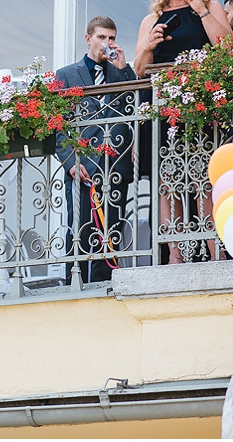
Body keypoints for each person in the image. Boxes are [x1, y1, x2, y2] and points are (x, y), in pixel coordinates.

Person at [134, 0, 232, 264]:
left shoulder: (210, 6)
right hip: (163, 111)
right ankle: (175, 252)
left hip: (202, 108)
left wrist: (201, 9)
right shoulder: (152, 19)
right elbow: (138, 71)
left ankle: (213, 247)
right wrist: (148, 46)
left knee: (205, 177)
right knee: (168, 181)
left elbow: (228, 49)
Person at [55, 16, 138, 283]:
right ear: (88, 38)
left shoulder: (121, 72)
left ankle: (106, 282)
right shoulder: (67, 74)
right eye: (102, 37)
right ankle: (74, 282)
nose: (107, 43)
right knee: (79, 226)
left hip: (114, 165)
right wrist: (69, 162)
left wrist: (125, 70)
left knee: (112, 225)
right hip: (81, 163)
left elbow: (133, 109)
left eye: (111, 38)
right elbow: (58, 124)